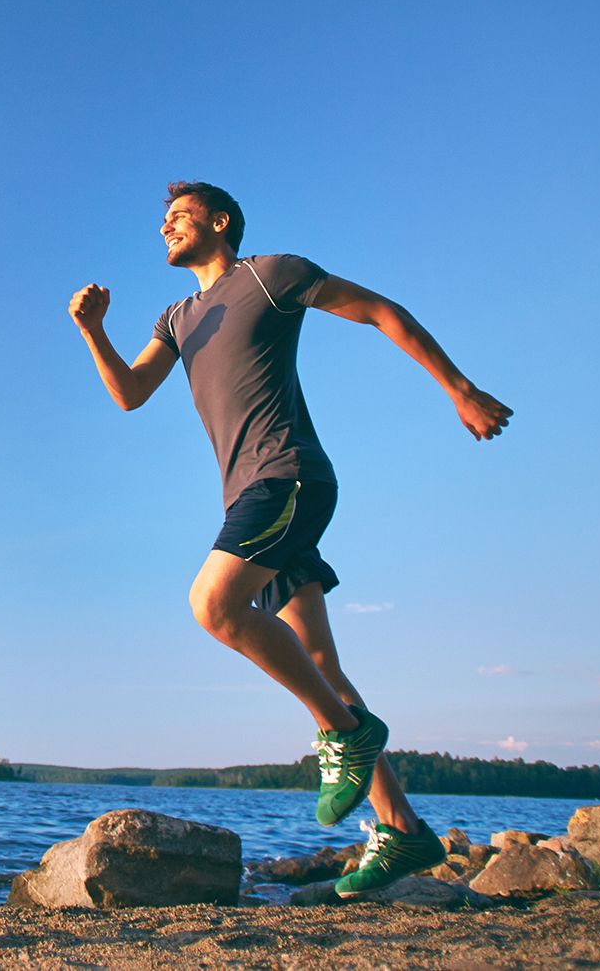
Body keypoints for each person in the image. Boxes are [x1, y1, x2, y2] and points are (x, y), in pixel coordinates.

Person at [66, 181, 512, 897]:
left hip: (289, 479)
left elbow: (378, 311)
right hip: (250, 496)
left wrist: (457, 387)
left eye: (177, 218)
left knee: (213, 606)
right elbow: (128, 392)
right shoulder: (178, 317)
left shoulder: (269, 276)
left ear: (219, 223)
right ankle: (402, 829)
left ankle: (347, 735)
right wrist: (93, 330)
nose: (164, 229)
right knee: (317, 657)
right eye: (162, 221)